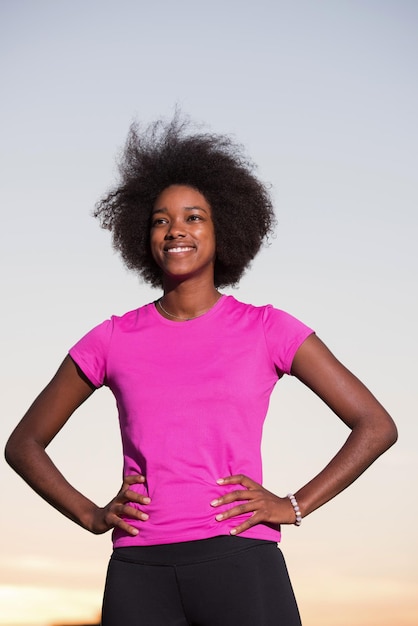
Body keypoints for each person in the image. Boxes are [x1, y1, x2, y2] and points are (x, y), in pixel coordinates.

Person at [5, 114, 397, 626]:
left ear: (222, 227)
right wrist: (90, 514)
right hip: (138, 570)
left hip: (241, 562)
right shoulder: (112, 338)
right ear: (144, 236)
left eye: (194, 217)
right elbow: (23, 443)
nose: (175, 231)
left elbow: (376, 426)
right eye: (161, 220)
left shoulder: (267, 329)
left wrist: (293, 506)